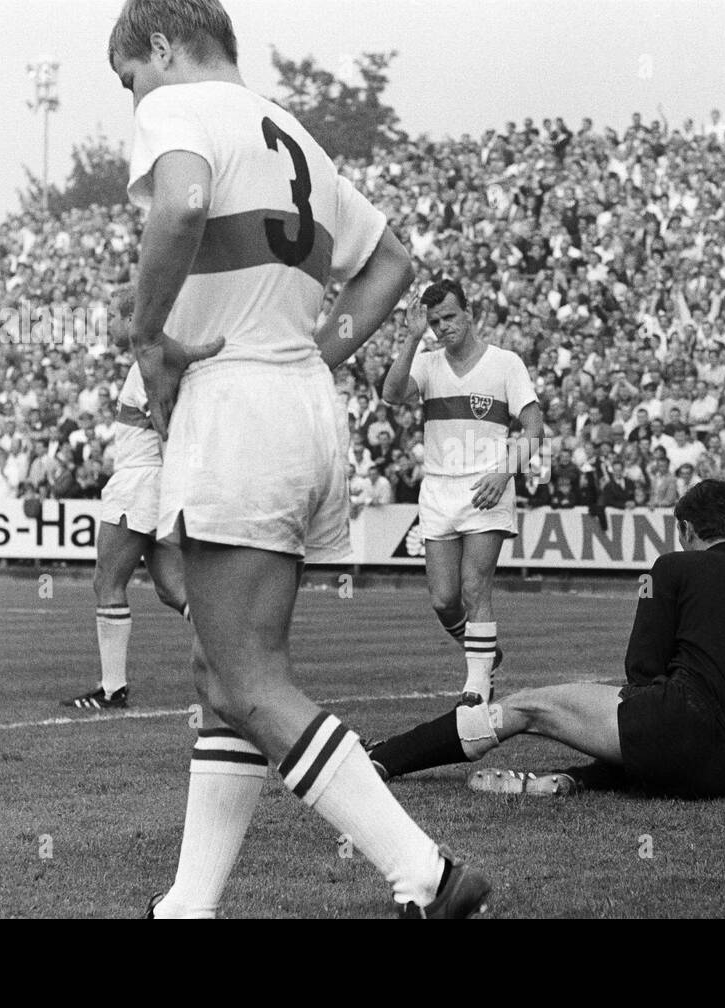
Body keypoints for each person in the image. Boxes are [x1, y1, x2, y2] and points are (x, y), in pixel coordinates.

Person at [111, 0, 487, 919]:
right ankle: (187, 905)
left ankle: (425, 872)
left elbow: (186, 201)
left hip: (235, 406)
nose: (133, 99)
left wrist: (145, 332)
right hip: (302, 409)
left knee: (249, 680)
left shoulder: (179, 109)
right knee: (222, 678)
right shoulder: (298, 137)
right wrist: (314, 354)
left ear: (160, 45)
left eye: (131, 78)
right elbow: (392, 264)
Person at [368, 481, 725, 802]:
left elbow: (641, 668)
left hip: (671, 725)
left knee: (527, 707)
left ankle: (387, 757)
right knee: (638, 733)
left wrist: (625, 721)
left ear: (685, 528)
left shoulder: (674, 567)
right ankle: (580, 781)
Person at [381, 278, 544, 706]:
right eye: (435, 321)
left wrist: (505, 473)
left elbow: (534, 430)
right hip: (437, 490)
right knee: (443, 600)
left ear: (469, 313)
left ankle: (475, 689)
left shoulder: (505, 363)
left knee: (475, 588)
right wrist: (412, 338)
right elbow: (391, 395)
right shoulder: (429, 363)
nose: (443, 327)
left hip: (486, 486)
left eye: (450, 317)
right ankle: (486, 655)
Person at [61, 284, 194, 710]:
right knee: (172, 590)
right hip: (152, 481)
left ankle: (112, 690)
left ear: (134, 320)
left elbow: (166, 428)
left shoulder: (150, 363)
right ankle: (235, 649)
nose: (109, 325)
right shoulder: (153, 361)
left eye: (115, 317)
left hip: (140, 481)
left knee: (107, 580)